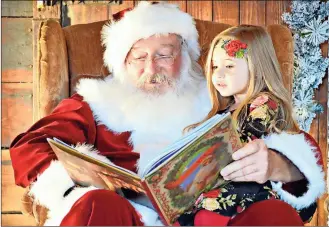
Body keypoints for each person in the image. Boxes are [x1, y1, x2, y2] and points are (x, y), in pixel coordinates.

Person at [10, 2, 324, 226]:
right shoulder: (95, 102)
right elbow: (30, 147)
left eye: (164, 55)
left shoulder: (218, 95)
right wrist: (81, 176)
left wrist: (278, 166)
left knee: (273, 216)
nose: (151, 69)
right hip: (130, 217)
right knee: (95, 205)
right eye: (139, 57)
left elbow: (299, 144)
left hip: (216, 217)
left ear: (184, 58)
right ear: (123, 63)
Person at [177, 25, 326, 226]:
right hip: (219, 184)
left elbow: (241, 143)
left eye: (229, 66)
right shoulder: (221, 111)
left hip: (247, 189)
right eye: (214, 67)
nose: (218, 74)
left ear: (257, 67)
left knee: (207, 216)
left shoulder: (264, 103)